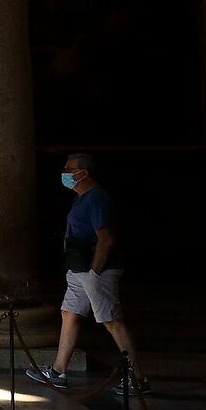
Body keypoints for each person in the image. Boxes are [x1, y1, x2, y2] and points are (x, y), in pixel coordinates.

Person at [26, 152, 149, 395]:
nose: (65, 174)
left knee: (111, 321)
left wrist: (95, 271)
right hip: (79, 269)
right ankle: (58, 370)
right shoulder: (81, 199)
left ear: (84, 173)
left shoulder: (97, 198)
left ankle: (137, 378)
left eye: (69, 170)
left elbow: (106, 238)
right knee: (69, 313)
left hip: (96, 270)